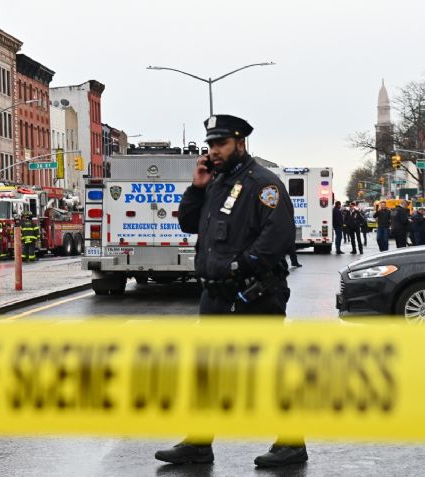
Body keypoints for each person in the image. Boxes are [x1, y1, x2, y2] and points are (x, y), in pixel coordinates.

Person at [156, 114, 306, 468]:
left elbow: (279, 235)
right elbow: (189, 223)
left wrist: (242, 266)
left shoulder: (263, 184)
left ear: (241, 143)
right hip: (216, 296)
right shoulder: (215, 182)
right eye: (210, 145)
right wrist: (196, 187)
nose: (214, 151)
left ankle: (291, 443)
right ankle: (198, 443)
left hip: (252, 295)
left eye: (221, 144)